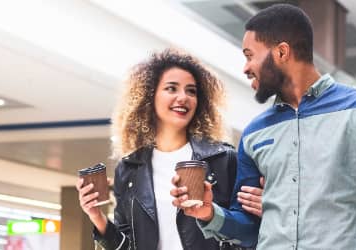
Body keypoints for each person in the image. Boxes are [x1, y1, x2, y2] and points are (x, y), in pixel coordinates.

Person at [171, 3, 356, 249]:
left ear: (282, 53)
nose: (245, 67)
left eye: (250, 55)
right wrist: (209, 213)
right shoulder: (254, 133)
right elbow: (250, 229)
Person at [76, 48, 263, 250]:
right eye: (172, 88)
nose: (183, 97)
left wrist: (211, 213)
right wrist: (96, 216)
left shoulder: (223, 159)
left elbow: (249, 235)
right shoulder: (129, 168)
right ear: (150, 96)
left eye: (191, 91)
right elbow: (128, 246)